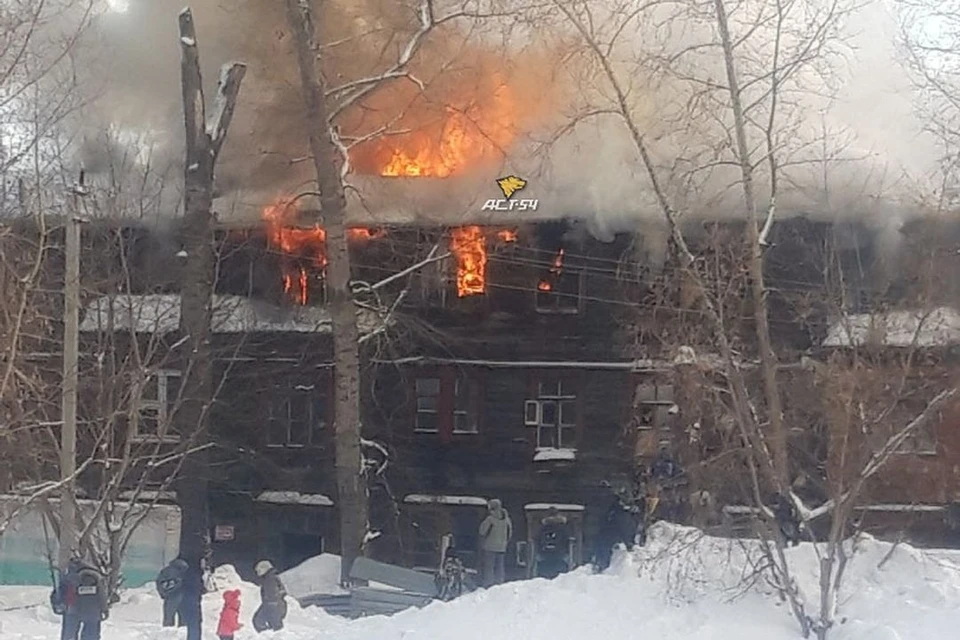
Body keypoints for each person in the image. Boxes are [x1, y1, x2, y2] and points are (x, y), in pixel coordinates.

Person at [52, 557, 109, 640]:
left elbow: (60, 592)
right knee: (91, 635)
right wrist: (104, 609)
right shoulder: (95, 576)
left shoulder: (70, 577)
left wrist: (57, 604)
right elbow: (102, 594)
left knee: (69, 635)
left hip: (73, 610)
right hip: (93, 611)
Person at [478, 498, 512, 587]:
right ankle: (499, 584)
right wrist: (505, 542)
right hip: (502, 547)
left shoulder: (490, 519)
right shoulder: (507, 520)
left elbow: (482, 531)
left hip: (489, 546)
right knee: (500, 568)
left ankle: (488, 585)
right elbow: (510, 533)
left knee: (489, 567)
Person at [252, 560, 288, 632]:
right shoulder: (272, 577)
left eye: (259, 570)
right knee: (259, 621)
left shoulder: (270, 579)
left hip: (272, 606)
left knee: (259, 622)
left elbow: (272, 596)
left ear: (264, 568)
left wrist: (271, 607)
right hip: (274, 605)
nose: (258, 573)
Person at [536, 508, 570, 579]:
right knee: (560, 582)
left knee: (543, 581)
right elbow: (567, 541)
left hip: (544, 557)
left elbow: (537, 541)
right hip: (560, 557)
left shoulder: (543, 528)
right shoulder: (563, 528)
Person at [155, 558, 188, 627]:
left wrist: (163, 594)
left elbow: (159, 583)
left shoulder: (165, 571)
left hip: (169, 596)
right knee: (184, 619)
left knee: (168, 618)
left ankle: (167, 633)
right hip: (182, 595)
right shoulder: (185, 571)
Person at [179, 557, 204, 640]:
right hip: (193, 605)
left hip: (189, 604)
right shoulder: (194, 576)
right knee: (194, 626)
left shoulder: (186, 575)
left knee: (193, 626)